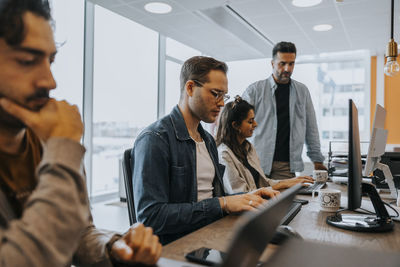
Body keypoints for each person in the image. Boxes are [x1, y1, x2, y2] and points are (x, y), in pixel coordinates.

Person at [0, 1, 161, 266]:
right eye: (27, 61)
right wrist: (64, 149)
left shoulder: (47, 141)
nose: (50, 81)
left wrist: (112, 247)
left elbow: (78, 232)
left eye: (50, 60)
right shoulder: (60, 145)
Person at [132, 56, 279, 245]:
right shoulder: (155, 139)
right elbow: (150, 218)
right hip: (179, 246)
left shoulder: (208, 140)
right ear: (190, 88)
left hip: (211, 235)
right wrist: (223, 204)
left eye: (223, 96)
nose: (221, 103)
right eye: (215, 93)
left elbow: (212, 199)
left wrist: (247, 198)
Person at [242, 41, 326, 180]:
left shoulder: (302, 91)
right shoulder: (254, 91)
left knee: (285, 202)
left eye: (291, 63)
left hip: (286, 166)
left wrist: (317, 160)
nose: (287, 68)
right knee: (256, 201)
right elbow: (239, 125)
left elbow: (311, 128)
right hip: (256, 162)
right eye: (282, 63)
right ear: (272, 63)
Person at [216, 96, 314, 194]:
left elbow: (264, 183)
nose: (255, 124)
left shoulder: (248, 148)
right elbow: (241, 194)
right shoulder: (224, 155)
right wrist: (282, 185)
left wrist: (291, 182)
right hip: (247, 207)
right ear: (235, 125)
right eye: (250, 121)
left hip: (259, 203)